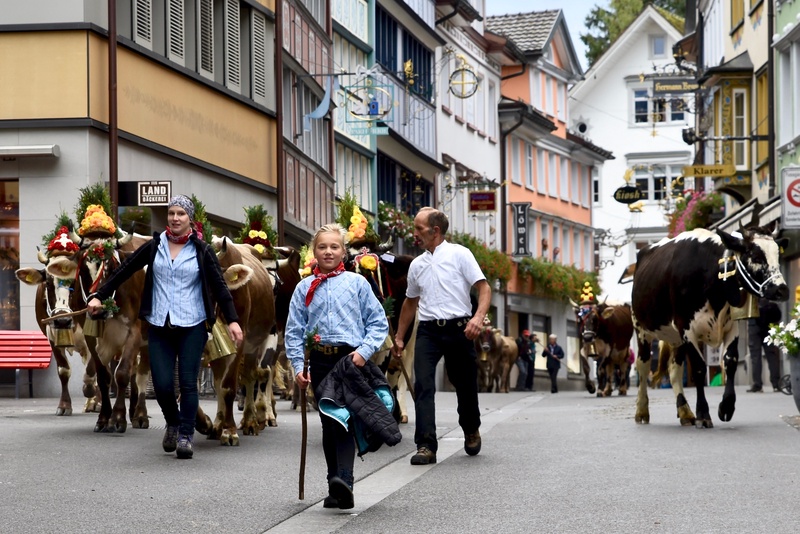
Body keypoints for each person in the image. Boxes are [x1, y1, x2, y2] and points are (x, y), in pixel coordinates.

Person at [87, 195, 243, 460]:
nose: (175, 218)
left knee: (188, 384)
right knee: (161, 384)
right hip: (159, 324)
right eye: (171, 213)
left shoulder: (202, 250)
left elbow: (219, 287)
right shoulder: (155, 245)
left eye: (181, 213)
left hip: (192, 325)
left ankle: (184, 434)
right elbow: (125, 269)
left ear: (189, 218)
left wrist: (233, 320)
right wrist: (100, 295)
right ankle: (172, 422)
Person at [284, 223, 390, 510]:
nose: (328, 251)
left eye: (334, 246)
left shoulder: (358, 284)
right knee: (329, 421)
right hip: (318, 361)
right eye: (322, 247)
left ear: (343, 251)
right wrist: (298, 367)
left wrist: (364, 352)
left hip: (349, 361)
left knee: (341, 417)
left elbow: (378, 323)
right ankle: (335, 483)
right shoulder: (303, 288)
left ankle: (344, 480)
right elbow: (294, 331)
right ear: (313, 252)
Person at [393, 207, 491, 466]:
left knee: (465, 383)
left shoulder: (460, 254)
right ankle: (426, 445)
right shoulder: (417, 264)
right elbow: (409, 303)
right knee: (423, 384)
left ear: (435, 231)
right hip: (428, 331)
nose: (414, 234)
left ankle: (471, 428)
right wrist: (400, 337)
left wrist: (477, 318)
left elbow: (484, 288)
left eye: (419, 229)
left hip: (460, 328)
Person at [747, 297, 782, 392]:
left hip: (754, 325)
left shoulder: (751, 289)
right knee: (772, 355)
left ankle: (757, 385)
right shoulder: (769, 293)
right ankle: (776, 384)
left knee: (755, 356)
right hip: (769, 326)